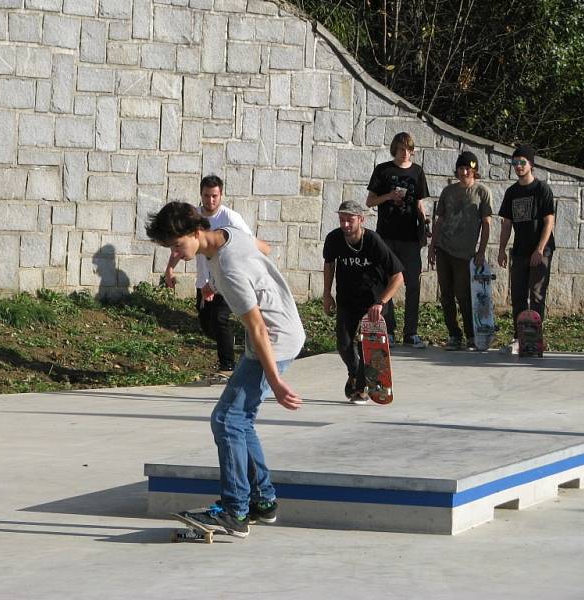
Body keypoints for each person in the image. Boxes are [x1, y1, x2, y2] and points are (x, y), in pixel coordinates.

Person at [146, 201, 305, 538]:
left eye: (177, 245)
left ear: (196, 232)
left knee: (226, 419)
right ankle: (263, 501)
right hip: (280, 331)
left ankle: (236, 510)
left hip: (273, 339)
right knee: (239, 419)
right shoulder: (230, 235)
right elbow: (263, 247)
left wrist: (275, 382)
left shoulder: (229, 268)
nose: (176, 253)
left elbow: (259, 328)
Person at [164, 175, 252, 375]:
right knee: (207, 325)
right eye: (206, 196)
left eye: (214, 196)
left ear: (221, 195)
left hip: (226, 280)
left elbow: (249, 243)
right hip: (204, 281)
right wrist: (170, 268)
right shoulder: (193, 217)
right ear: (201, 194)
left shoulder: (230, 218)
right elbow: (179, 244)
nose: (210, 201)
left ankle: (227, 366)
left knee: (221, 318)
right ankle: (226, 340)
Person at [323, 200, 404, 404]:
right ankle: (354, 372)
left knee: (367, 347)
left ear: (361, 219)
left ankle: (362, 388)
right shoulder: (333, 239)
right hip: (347, 299)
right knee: (344, 345)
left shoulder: (373, 241)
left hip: (373, 303)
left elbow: (398, 276)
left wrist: (381, 302)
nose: (346, 225)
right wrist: (326, 293)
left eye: (350, 220)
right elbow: (329, 264)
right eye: (342, 220)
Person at [366, 132, 430, 348]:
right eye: (401, 149)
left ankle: (411, 332)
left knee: (413, 283)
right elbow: (369, 201)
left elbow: (420, 202)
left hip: (411, 237)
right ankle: (388, 330)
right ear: (395, 149)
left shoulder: (417, 171)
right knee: (385, 283)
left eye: (408, 149)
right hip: (386, 235)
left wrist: (425, 224)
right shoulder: (383, 170)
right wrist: (389, 196)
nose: (405, 153)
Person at [428, 151, 493, 350]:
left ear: (474, 171)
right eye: (461, 168)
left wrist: (481, 251)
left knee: (463, 294)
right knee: (446, 294)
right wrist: (432, 247)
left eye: (468, 168)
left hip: (465, 253)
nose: (464, 172)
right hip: (444, 249)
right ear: (456, 170)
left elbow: (487, 224)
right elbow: (439, 221)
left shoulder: (482, 192)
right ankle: (453, 334)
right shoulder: (448, 191)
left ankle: (471, 335)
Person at [497, 144, 555, 353]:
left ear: (531, 164)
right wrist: (502, 249)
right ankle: (519, 338)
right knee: (518, 296)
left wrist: (540, 249)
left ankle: (535, 338)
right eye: (515, 163)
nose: (518, 166)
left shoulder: (542, 189)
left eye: (522, 162)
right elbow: (506, 223)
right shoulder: (512, 192)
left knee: (537, 294)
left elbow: (549, 221)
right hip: (520, 251)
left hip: (541, 250)